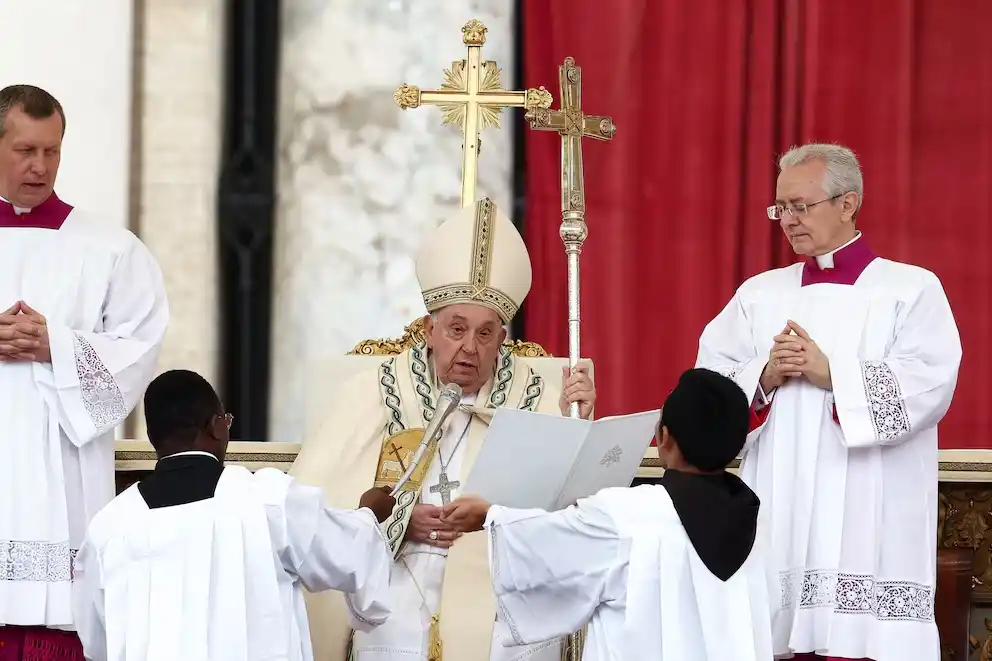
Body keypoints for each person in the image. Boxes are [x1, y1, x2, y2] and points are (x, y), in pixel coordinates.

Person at [290, 197, 597, 661]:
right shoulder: (380, 390)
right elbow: (319, 498)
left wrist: (579, 423)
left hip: (496, 587)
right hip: (397, 574)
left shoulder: (535, 397)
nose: (469, 348)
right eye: (456, 329)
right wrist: (396, 521)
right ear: (430, 330)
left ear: (502, 339)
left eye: (485, 333)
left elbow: (568, 510)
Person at [695, 143, 961, 661]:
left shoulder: (909, 290)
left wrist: (831, 374)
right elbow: (707, 389)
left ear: (848, 203)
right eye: (780, 209)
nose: (788, 221)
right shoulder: (759, 295)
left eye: (801, 206)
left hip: (871, 513)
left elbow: (929, 384)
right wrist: (765, 377)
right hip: (778, 507)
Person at [441, 368, 777, 661]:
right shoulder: (756, 521)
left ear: (663, 438)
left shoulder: (629, 515)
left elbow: (549, 545)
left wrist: (490, 515)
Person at [0, 84, 169, 657]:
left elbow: (140, 345)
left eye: (51, 151)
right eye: (25, 150)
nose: (39, 166)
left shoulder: (108, 249)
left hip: (61, 478)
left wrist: (58, 345)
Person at [71, 369, 396, 661]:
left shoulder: (110, 526)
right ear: (216, 427)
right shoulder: (266, 499)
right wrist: (369, 512)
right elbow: (346, 554)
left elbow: (97, 641)